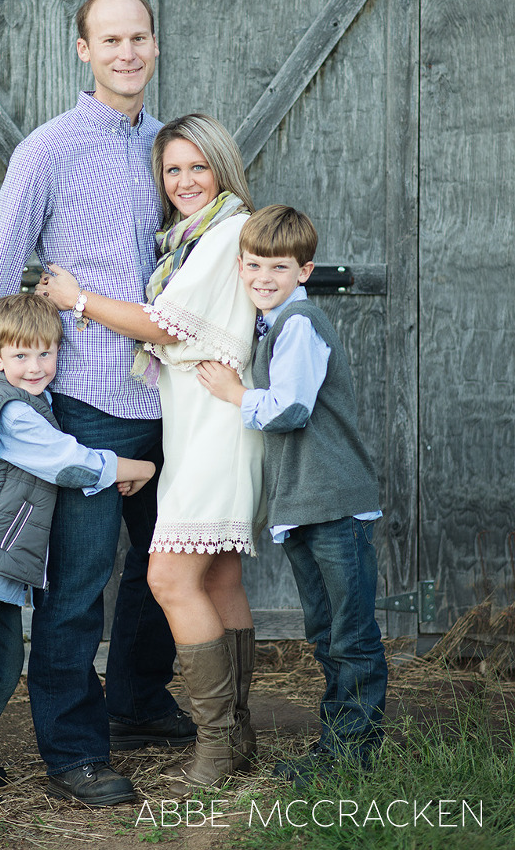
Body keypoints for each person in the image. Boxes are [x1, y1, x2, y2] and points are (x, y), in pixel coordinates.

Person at [0, 0, 193, 808]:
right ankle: (73, 751)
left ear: (154, 45)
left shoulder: (170, 149)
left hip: (172, 395)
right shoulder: (47, 151)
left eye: (139, 38)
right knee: (78, 584)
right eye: (111, 40)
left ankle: (137, 700)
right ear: (84, 50)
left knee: (166, 566)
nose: (127, 53)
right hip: (90, 397)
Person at [37, 113, 265, 795]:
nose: (185, 181)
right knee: (219, 578)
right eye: (173, 170)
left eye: (199, 167)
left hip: (214, 431)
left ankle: (216, 752)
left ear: (223, 169)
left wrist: (77, 299)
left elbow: (162, 325)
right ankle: (239, 737)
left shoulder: (224, 234)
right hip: (200, 425)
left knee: (169, 577)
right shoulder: (196, 237)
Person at [0, 294, 156, 811]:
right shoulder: (13, 410)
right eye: (20, 355)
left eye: (46, 353)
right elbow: (68, 463)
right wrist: (141, 468)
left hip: (0, 566)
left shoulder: (37, 404)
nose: (35, 366)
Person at [197, 204, 388, 788]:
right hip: (305, 504)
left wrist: (233, 392)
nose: (263, 277)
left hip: (333, 502)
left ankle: (352, 757)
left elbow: (291, 408)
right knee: (326, 633)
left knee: (350, 635)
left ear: (304, 271)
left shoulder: (299, 322)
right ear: (240, 266)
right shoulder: (269, 324)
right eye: (254, 265)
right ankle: (339, 748)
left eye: (278, 267)